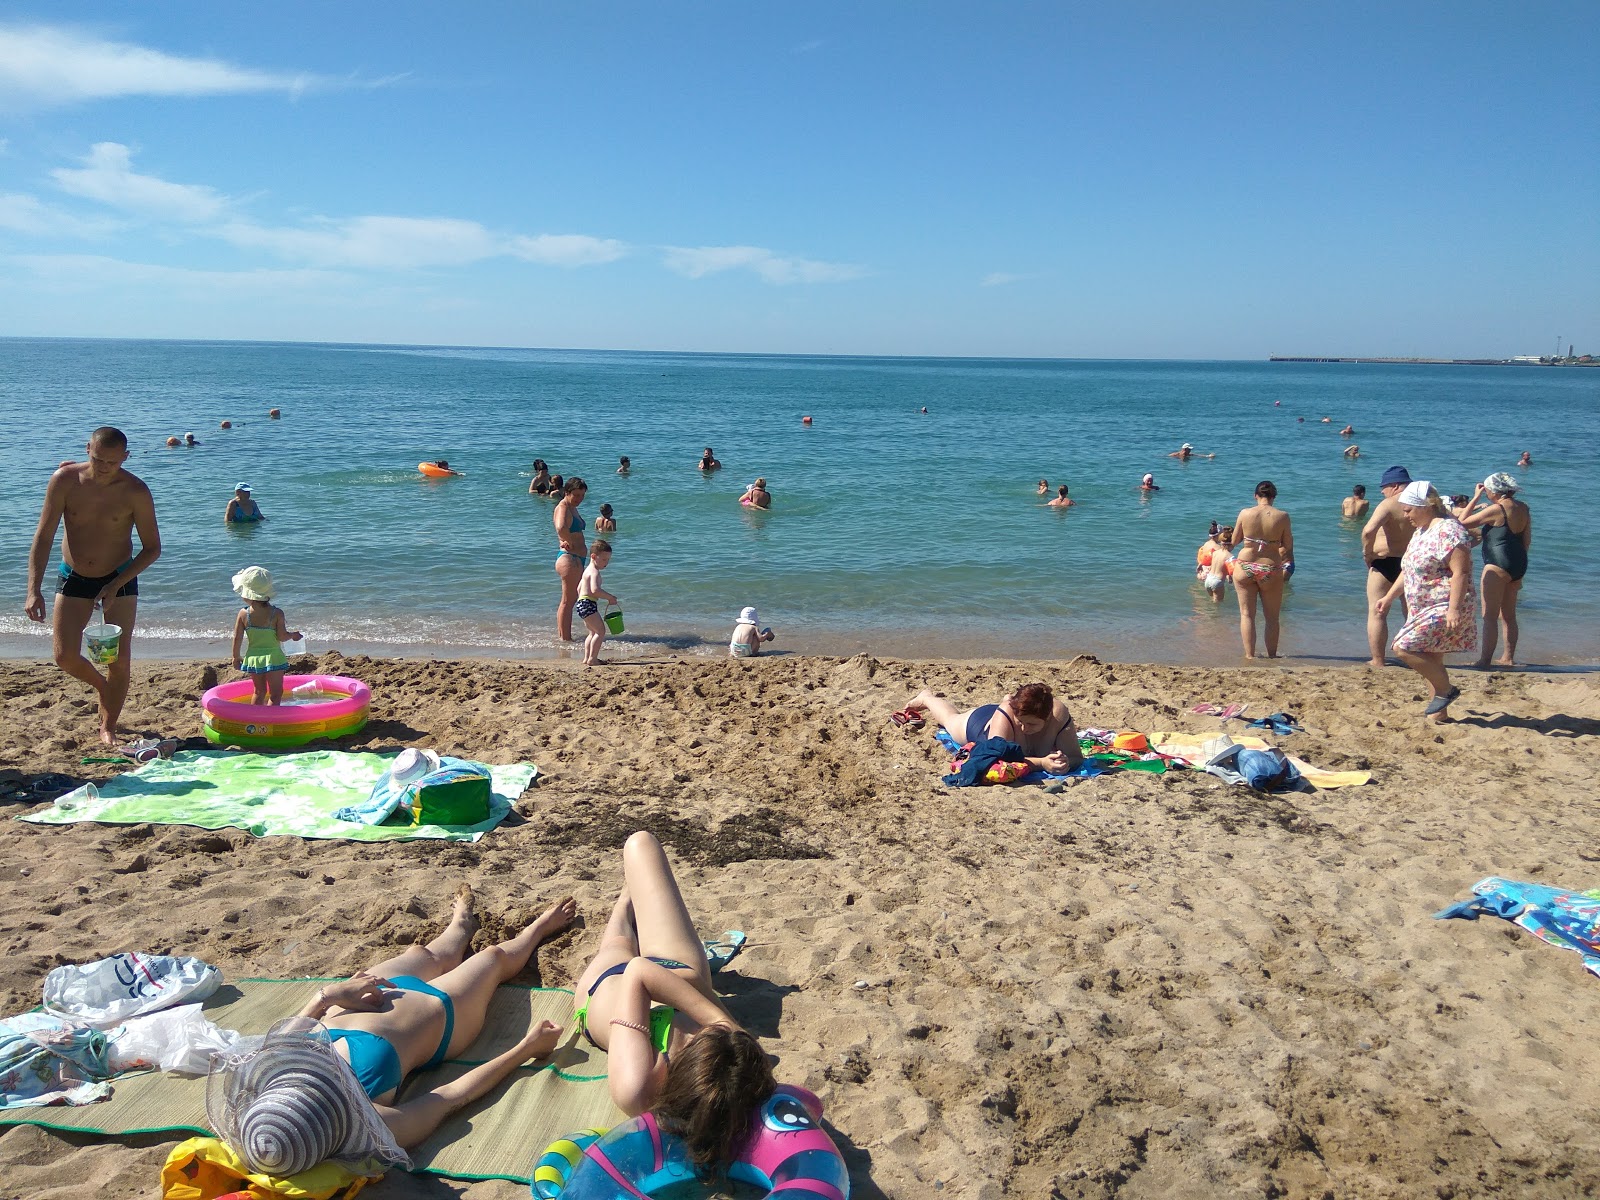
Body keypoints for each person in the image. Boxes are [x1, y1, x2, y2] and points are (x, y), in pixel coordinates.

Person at [215, 889, 577, 1172]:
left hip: (367, 991)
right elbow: (451, 1096)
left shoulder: (275, 1067)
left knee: (432, 953)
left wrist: (329, 995)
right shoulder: (375, 1123)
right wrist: (526, 1049)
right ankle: (538, 929)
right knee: (493, 959)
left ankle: (461, 926)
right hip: (444, 1013)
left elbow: (299, 1020)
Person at [573, 831, 776, 1177]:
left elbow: (638, 972)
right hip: (677, 972)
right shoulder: (728, 1074)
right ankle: (635, 896)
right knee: (640, 843)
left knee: (621, 936)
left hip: (613, 983)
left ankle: (626, 905)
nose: (701, 1034)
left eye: (703, 1038)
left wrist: (723, 1022)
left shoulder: (638, 1085)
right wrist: (733, 1031)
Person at [25, 427, 162, 745]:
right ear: (87, 449)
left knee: (119, 659)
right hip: (73, 575)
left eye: (112, 462)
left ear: (125, 458)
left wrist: (116, 585)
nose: (103, 467)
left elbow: (152, 548)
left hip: (120, 576)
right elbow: (44, 536)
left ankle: (108, 726)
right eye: (98, 459)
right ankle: (104, 687)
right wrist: (33, 589)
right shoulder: (65, 480)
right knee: (64, 656)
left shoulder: (135, 491)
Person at [1374, 482, 1476, 720]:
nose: (1405, 515)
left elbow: (1460, 572)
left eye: (1409, 510)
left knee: (1403, 647)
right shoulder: (1422, 530)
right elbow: (1409, 569)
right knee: (1431, 656)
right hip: (1422, 605)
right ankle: (1439, 714)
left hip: (1444, 603)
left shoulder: (1450, 530)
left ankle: (1446, 690)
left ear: (1426, 506)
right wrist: (1389, 597)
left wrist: (1453, 609)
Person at [902, 682, 1082, 770]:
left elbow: (1076, 757)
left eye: (1031, 724)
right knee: (949, 719)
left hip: (1008, 714)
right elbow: (998, 761)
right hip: (982, 724)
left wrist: (1066, 762)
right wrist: (1042, 763)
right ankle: (926, 697)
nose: (1024, 729)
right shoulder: (1008, 716)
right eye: (1021, 722)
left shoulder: (1058, 715)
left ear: (1048, 717)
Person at [1453, 473, 1531, 668]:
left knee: (1489, 616)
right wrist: (1519, 568)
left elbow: (1460, 522)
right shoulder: (1523, 508)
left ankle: (1485, 660)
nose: (1485, 492)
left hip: (1497, 564)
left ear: (1494, 491)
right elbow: (1526, 540)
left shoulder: (1496, 509)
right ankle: (1508, 657)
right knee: (1509, 615)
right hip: (1519, 562)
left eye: (1486, 489)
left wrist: (1475, 498)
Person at [1229, 480, 1293, 659]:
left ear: (1255, 496)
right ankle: (1272, 656)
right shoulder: (1283, 516)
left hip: (1244, 566)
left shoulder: (1245, 513)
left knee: (1247, 614)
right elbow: (1287, 545)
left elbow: (1234, 541)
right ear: (1274, 497)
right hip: (1270, 568)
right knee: (1272, 618)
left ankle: (1249, 655)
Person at [1361, 465, 1416, 667]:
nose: (1382, 492)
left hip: (1386, 562)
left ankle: (1378, 660)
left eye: (1383, 487)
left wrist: (1367, 555)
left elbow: (1368, 531)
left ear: (1394, 486)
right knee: (1411, 612)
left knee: (1377, 610)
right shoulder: (1423, 503)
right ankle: (1415, 657)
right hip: (1412, 562)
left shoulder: (1388, 504)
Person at [229, 566, 300, 705]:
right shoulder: (277, 613)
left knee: (258, 692)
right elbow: (281, 637)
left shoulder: (244, 614)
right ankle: (271, 722)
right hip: (273, 658)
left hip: (254, 658)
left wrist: (236, 657)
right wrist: (293, 635)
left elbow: (237, 638)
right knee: (276, 693)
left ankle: (255, 721)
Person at [553, 477, 589, 642]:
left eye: (582, 495)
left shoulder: (571, 507)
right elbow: (560, 527)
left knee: (570, 600)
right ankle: (565, 639)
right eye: (576, 495)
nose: (579, 499)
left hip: (575, 558)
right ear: (566, 492)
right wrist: (567, 541)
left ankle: (564, 637)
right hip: (570, 559)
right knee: (567, 602)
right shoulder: (563, 508)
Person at [575, 540, 617, 667]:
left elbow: (578, 588)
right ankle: (593, 659)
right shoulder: (594, 571)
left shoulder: (586, 571)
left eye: (608, 560)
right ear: (593, 556)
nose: (606, 563)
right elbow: (595, 590)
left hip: (581, 603)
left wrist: (583, 599)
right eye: (604, 559)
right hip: (588, 603)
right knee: (600, 631)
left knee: (592, 633)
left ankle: (587, 658)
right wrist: (610, 597)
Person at [1197, 526, 1233, 601]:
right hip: (1217, 581)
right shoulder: (1229, 555)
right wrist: (1229, 577)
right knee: (1217, 606)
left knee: (1210, 601)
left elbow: (1206, 559)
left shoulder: (1214, 552)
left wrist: (1199, 565)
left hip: (1208, 580)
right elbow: (1228, 568)